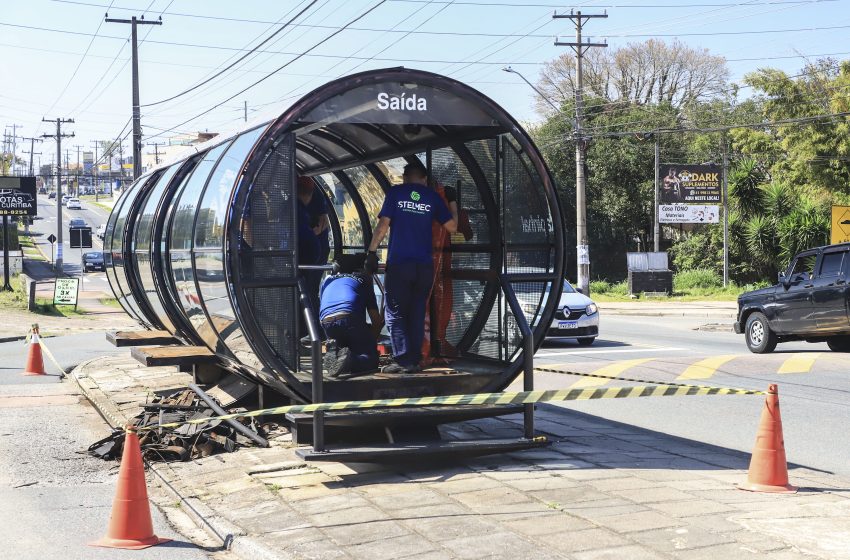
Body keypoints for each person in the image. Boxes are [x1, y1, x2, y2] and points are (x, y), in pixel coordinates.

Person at [366, 161, 458, 373]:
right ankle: (415, 360)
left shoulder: (396, 193)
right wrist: (452, 201)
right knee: (417, 311)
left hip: (400, 265)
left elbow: (382, 226)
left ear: (405, 177)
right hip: (424, 267)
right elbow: (452, 227)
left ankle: (403, 360)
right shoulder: (433, 197)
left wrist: (372, 252)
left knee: (396, 313)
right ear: (424, 179)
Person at [320, 254, 383, 377]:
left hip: (326, 321)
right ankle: (350, 361)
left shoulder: (327, 280)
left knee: (343, 352)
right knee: (370, 359)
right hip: (349, 317)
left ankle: (335, 352)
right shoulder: (364, 279)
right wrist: (371, 340)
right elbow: (376, 320)